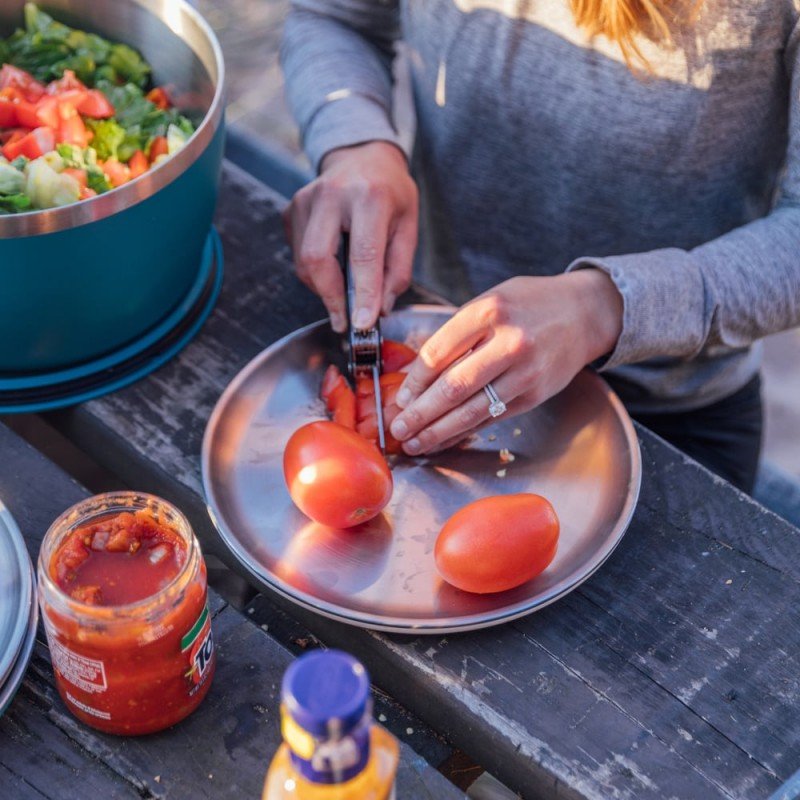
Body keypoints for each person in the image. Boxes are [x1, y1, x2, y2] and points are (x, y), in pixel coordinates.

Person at [280, 0, 800, 493]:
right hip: (424, 338)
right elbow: (332, 17)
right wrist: (353, 139)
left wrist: (604, 307)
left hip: (666, 411)